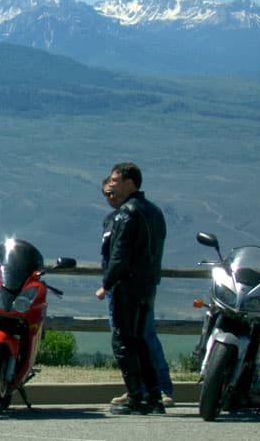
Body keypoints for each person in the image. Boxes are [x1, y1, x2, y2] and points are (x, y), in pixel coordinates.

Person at [95, 162, 167, 415]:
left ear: (129, 182)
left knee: (124, 342)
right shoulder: (154, 211)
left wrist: (107, 284)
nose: (111, 185)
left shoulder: (127, 213)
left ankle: (136, 397)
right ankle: (154, 398)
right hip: (148, 285)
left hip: (127, 286)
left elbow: (120, 254)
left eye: (115, 180)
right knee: (140, 342)